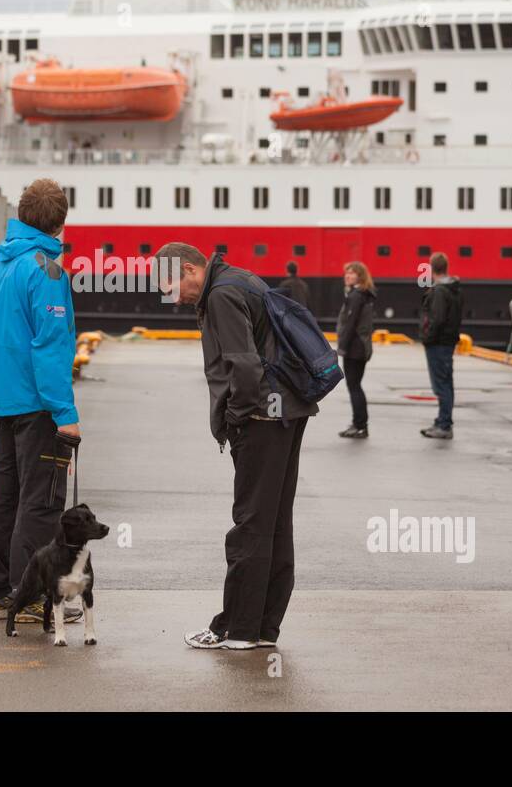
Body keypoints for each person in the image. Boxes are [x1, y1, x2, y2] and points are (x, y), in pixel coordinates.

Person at [152, 242, 318, 650]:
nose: (171, 296)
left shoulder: (222, 294)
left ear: (191, 269)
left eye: (171, 285)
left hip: (261, 419)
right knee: (275, 522)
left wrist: (236, 418)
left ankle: (237, 629)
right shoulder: (239, 280)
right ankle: (263, 628)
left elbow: (243, 364)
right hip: (286, 413)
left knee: (250, 524)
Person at [0, 178, 83, 625]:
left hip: (6, 399)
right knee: (42, 500)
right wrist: (65, 414)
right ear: (61, 221)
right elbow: (49, 346)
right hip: (37, 403)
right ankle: (32, 597)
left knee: (6, 495)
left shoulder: (4, 263)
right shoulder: (47, 270)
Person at [419, 251, 463, 440]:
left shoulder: (438, 291)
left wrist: (427, 338)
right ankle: (443, 421)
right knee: (447, 382)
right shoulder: (455, 289)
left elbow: (436, 319)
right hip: (448, 341)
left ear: (432, 268)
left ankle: (444, 425)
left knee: (441, 385)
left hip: (438, 343)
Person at [335, 261, 376, 439]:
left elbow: (350, 324)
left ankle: (360, 425)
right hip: (361, 346)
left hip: (355, 347)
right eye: (347, 273)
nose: (348, 276)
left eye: (352, 273)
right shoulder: (363, 294)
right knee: (355, 385)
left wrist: (342, 347)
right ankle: (359, 424)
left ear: (360, 276)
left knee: (354, 386)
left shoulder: (356, 296)